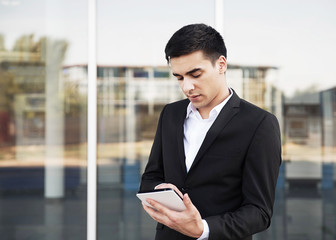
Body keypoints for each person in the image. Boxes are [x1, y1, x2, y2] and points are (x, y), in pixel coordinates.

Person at [139, 23, 282, 240]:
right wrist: (159, 190)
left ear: (221, 64)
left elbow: (259, 212)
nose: (187, 87)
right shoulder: (170, 114)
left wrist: (203, 229)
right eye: (179, 77)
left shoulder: (259, 124)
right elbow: (150, 177)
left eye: (195, 74)